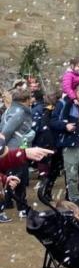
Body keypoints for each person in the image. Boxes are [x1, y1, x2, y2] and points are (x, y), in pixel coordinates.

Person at [50, 84, 79, 212]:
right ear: (74, 92)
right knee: (72, 175)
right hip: (70, 145)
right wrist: (65, 126)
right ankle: (74, 199)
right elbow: (53, 122)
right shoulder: (64, 103)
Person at [1, 86, 35, 219]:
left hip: (11, 150)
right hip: (15, 150)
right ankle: (21, 207)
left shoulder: (10, 109)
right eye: (30, 98)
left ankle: (8, 203)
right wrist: (26, 138)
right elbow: (6, 132)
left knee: (9, 178)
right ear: (26, 100)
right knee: (19, 178)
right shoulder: (20, 112)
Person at [31, 90, 61, 200]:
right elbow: (42, 127)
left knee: (47, 170)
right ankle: (45, 192)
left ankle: (45, 191)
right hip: (49, 143)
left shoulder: (40, 110)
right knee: (50, 170)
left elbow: (37, 127)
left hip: (45, 143)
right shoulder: (49, 110)